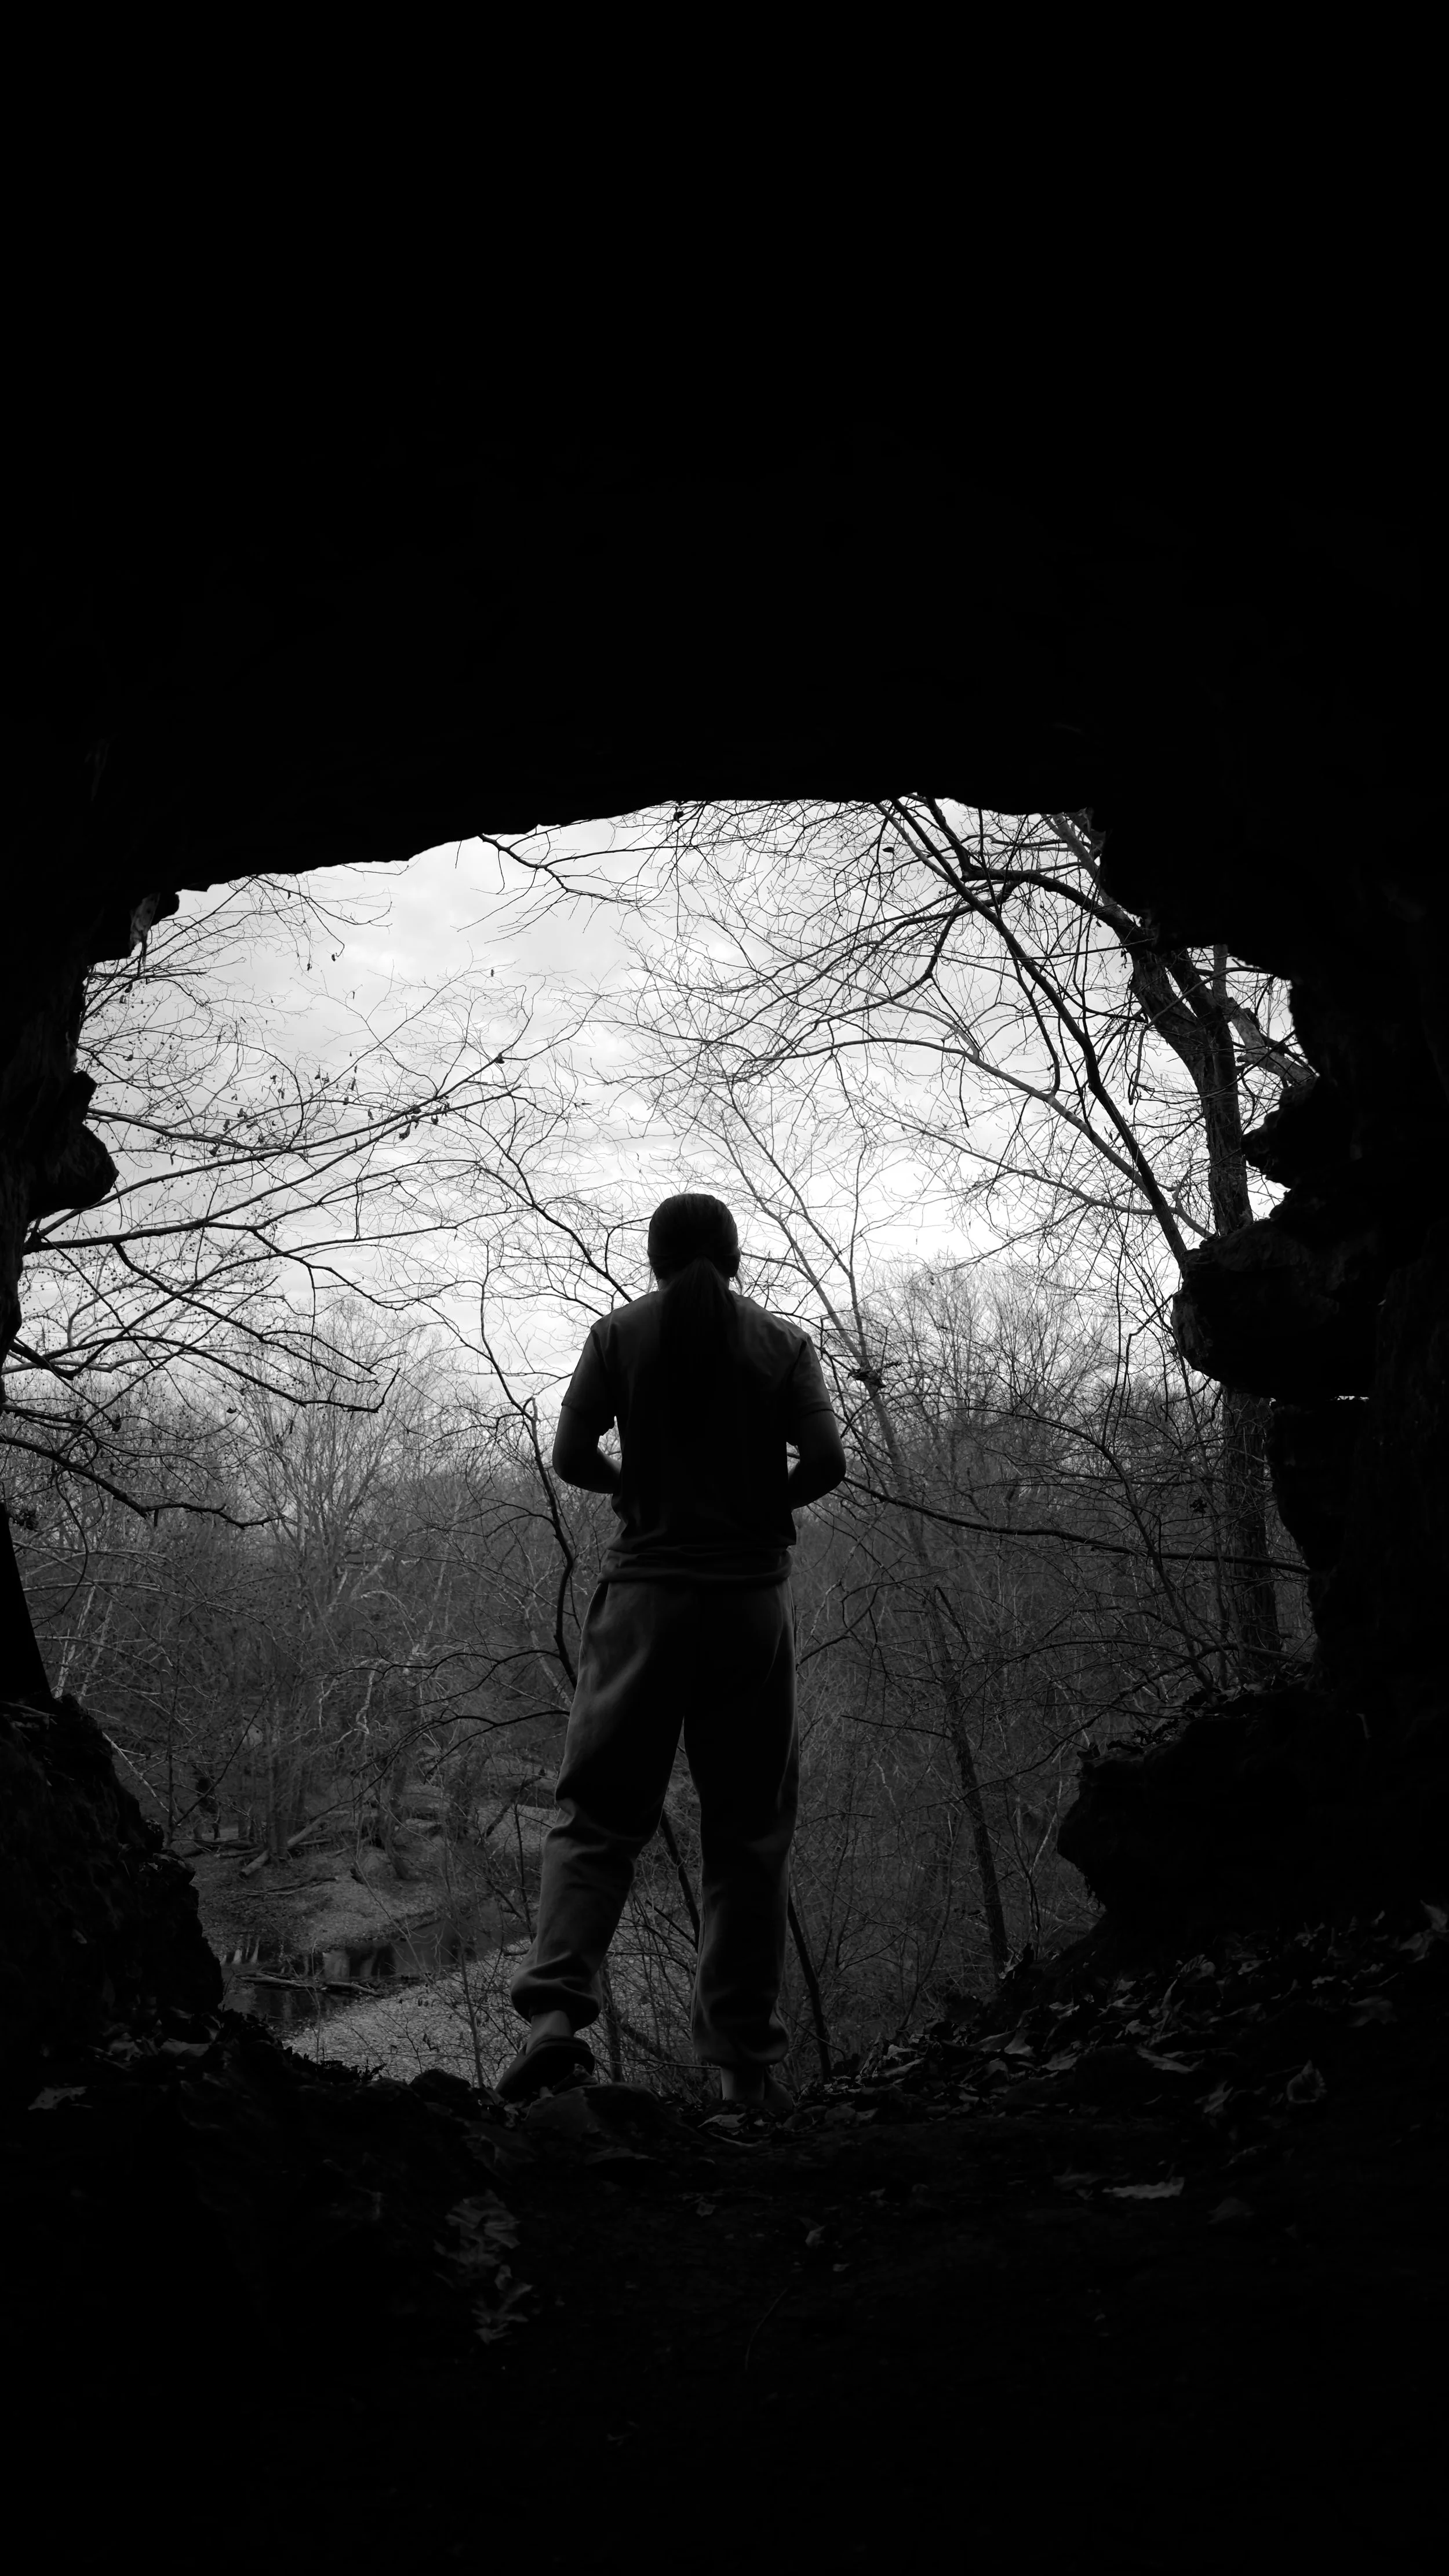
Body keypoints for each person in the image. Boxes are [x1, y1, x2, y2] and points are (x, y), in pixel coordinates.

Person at [496, 1192, 846, 2111]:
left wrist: (631, 1487)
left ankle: (554, 2026)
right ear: (734, 1257)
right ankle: (739, 2071)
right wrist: (765, 1509)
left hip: (645, 1602)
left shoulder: (617, 1337)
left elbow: (573, 1454)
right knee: (747, 1836)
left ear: (654, 1261)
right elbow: (826, 1461)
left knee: (599, 1815)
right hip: (747, 1612)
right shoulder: (781, 1342)